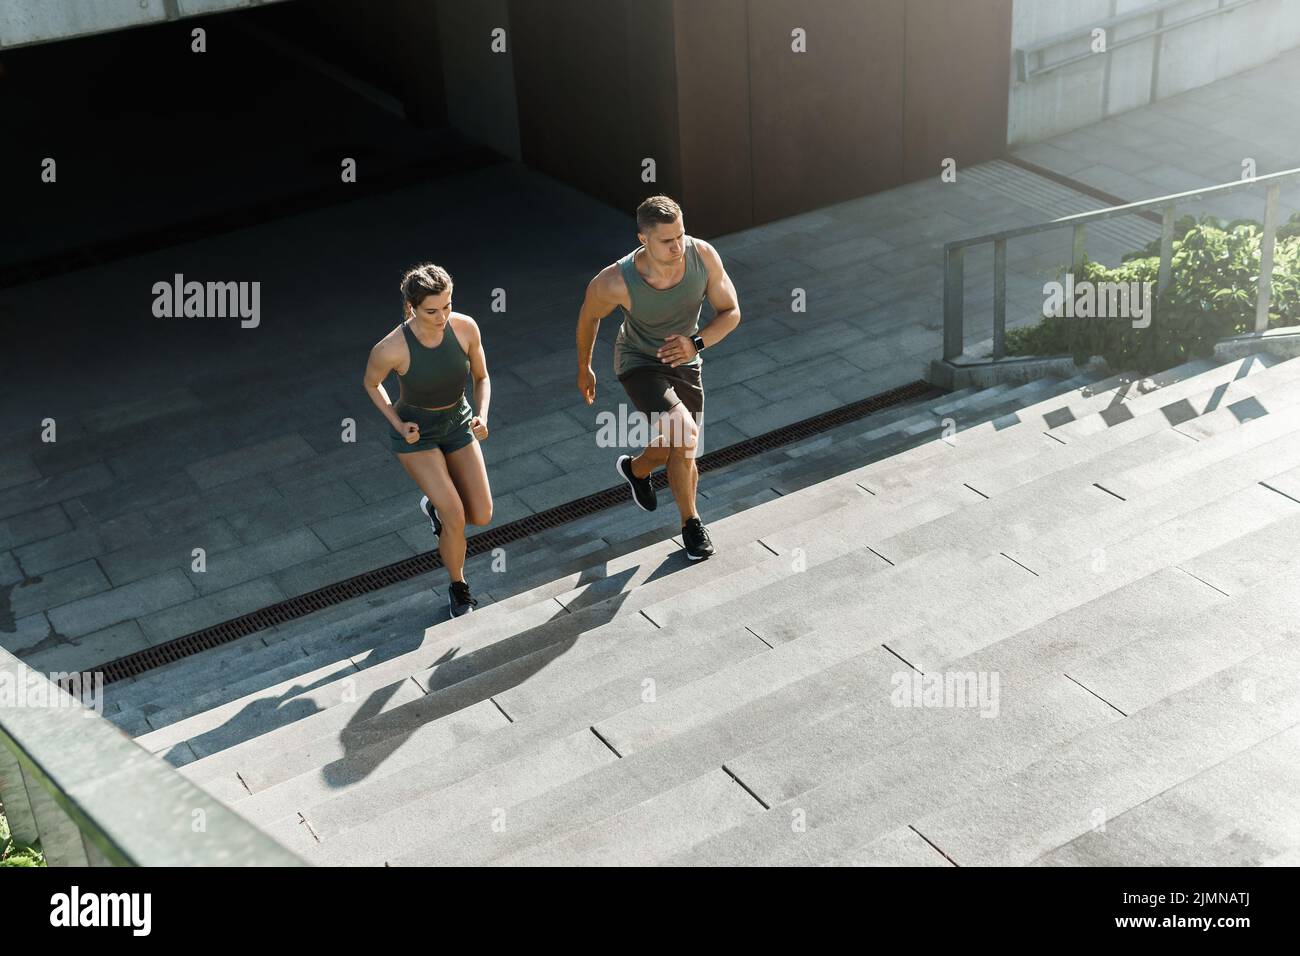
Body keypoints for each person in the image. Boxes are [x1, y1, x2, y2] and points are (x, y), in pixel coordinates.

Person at [575, 195, 742, 560]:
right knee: (685, 433)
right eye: (667, 241)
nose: (678, 246)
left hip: (686, 359)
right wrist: (584, 368)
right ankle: (692, 525)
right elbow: (589, 317)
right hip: (639, 363)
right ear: (643, 239)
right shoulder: (616, 281)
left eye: (680, 235)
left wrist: (696, 343)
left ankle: (637, 470)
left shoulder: (703, 256)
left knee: (682, 443)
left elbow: (730, 312)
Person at [364, 263, 493, 617]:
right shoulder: (391, 347)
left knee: (480, 515)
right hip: (416, 434)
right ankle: (459, 587)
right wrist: (397, 422)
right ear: (412, 308)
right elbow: (371, 384)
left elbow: (482, 377)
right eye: (432, 311)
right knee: (455, 515)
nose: (442, 317)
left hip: (458, 422)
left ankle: (435, 505)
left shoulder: (465, 328)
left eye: (447, 306)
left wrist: (482, 414)